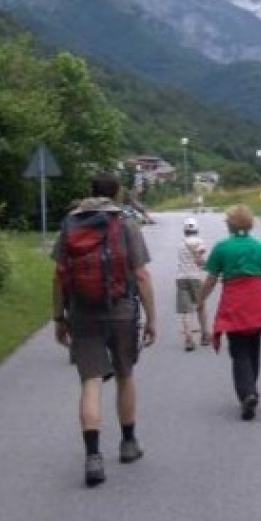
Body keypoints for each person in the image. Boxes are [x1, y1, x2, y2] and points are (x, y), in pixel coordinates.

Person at [52, 173, 158, 488]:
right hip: (122, 310)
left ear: (90, 191)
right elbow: (141, 275)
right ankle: (128, 443)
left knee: (91, 382)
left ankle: (93, 456)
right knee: (125, 374)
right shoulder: (125, 223)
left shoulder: (70, 223)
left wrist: (59, 317)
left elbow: (58, 276)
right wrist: (152, 318)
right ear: (117, 193)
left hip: (83, 312)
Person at [197, 203, 261, 420]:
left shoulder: (222, 248)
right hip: (258, 301)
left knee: (238, 350)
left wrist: (200, 299)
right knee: (254, 346)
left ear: (230, 225)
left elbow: (211, 280)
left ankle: (247, 393)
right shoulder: (260, 247)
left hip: (235, 302)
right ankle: (251, 389)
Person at [176, 216, 211, 351]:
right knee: (200, 306)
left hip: (181, 278)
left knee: (186, 310)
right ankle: (204, 335)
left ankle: (188, 339)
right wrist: (208, 266)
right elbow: (199, 260)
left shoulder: (181, 243)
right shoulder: (199, 242)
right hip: (195, 278)